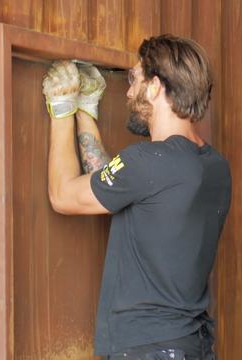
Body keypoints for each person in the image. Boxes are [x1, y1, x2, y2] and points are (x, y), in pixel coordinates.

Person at [42, 34, 232, 360]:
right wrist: (86, 110)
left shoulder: (148, 161)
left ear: (155, 87)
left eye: (134, 79)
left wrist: (61, 110)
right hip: (192, 345)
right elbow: (114, 185)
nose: (129, 91)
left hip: (149, 348)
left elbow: (63, 195)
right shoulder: (215, 166)